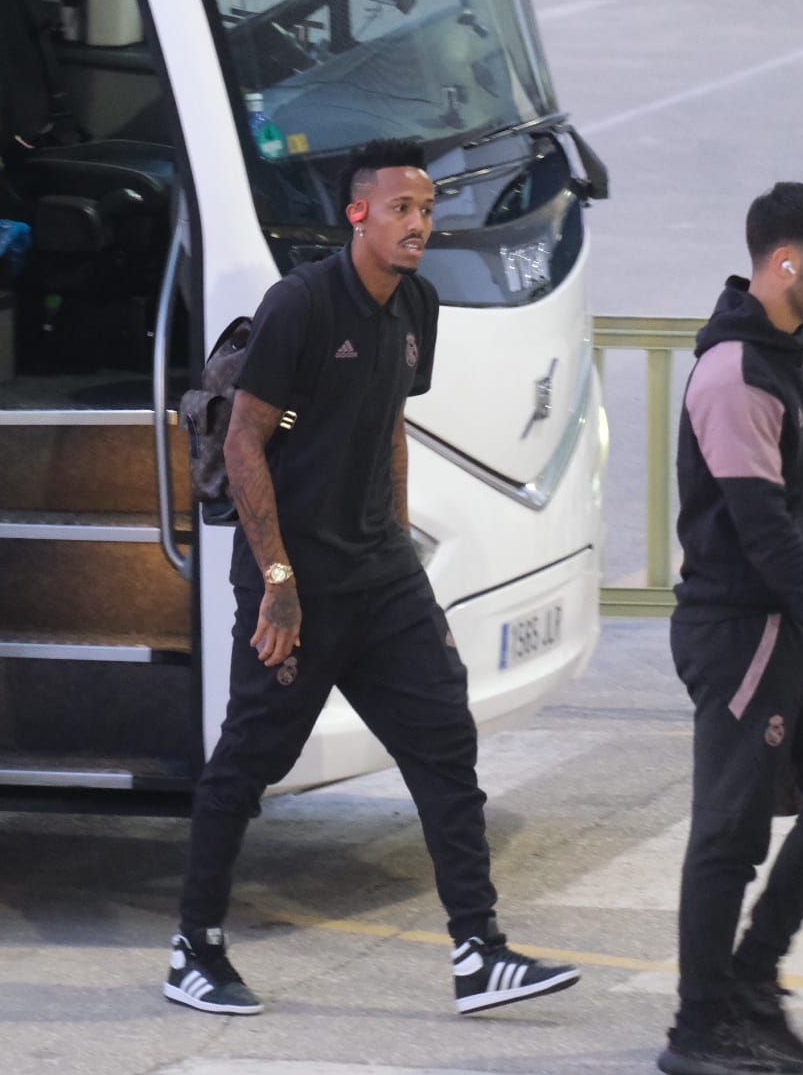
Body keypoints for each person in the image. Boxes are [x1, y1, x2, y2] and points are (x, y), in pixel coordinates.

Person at [165, 138, 580, 1017]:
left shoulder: (414, 305)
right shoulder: (302, 308)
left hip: (379, 578)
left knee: (444, 746)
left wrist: (395, 541)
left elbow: (388, 418)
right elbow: (244, 441)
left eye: (426, 210)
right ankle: (193, 950)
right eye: (401, 209)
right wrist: (277, 578)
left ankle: (480, 952)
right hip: (297, 582)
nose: (419, 224)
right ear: (357, 213)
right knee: (250, 760)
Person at [658, 182, 803, 1075]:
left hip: (786, 625)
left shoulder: (780, 350)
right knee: (728, 832)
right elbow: (760, 525)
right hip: (741, 630)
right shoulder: (733, 372)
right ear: (785, 263)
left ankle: (752, 978)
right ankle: (697, 1028)